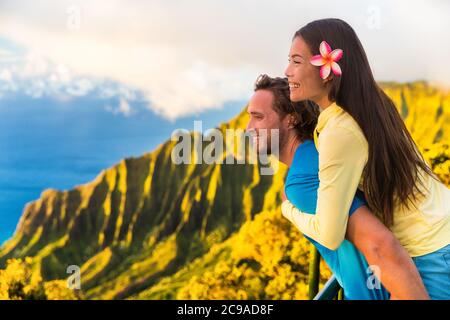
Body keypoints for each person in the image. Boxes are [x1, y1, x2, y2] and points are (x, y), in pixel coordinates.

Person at [282, 18, 450, 299]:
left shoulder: (340, 130)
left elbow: (329, 233)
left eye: (296, 62)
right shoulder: (373, 102)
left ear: (327, 71)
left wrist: (289, 211)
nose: (287, 71)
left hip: (432, 255)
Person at [246, 74, 427, 299]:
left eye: (258, 117)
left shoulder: (301, 182)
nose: (247, 128)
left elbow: (379, 243)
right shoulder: (323, 149)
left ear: (291, 119)